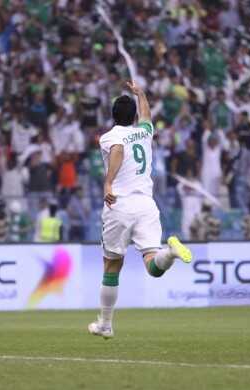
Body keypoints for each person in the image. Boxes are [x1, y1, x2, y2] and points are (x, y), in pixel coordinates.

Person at [88, 81, 193, 339]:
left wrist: (108, 181)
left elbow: (118, 150)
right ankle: (169, 253)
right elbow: (147, 116)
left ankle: (106, 324)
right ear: (133, 116)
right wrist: (142, 94)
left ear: (113, 116)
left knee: (111, 265)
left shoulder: (110, 137)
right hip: (147, 204)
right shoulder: (144, 131)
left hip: (120, 205)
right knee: (152, 263)